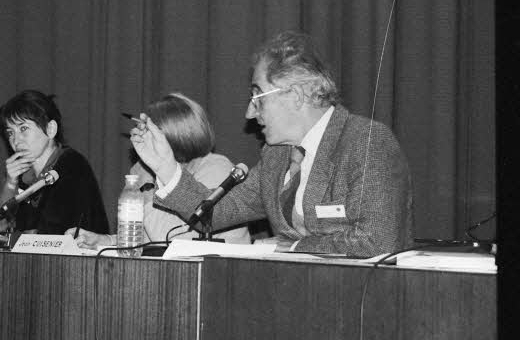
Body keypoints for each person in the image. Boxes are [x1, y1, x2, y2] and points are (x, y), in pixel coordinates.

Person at [130, 31, 413, 258]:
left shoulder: (366, 142)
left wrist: (290, 248)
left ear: (296, 95)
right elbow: (216, 212)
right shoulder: (276, 157)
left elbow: (377, 241)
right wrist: (165, 166)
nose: (249, 113)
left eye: (258, 97)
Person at [78, 92, 251, 247]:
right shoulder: (145, 169)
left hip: (220, 269)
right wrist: (104, 241)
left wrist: (146, 187)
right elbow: (146, 238)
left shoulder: (217, 168)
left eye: (149, 131)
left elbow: (172, 239)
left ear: (173, 136)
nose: (143, 136)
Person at [0, 90, 109, 238]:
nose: (15, 140)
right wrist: (10, 185)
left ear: (50, 129)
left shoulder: (71, 165)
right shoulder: (23, 175)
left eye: (23, 129)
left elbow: (53, 231)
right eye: (10, 132)